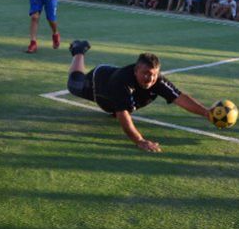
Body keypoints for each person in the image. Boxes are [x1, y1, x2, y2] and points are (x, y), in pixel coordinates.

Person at [65, 40, 215, 152]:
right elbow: (122, 114)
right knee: (73, 85)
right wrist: (139, 140)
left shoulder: (158, 81)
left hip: (118, 90)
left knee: (123, 106)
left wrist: (206, 112)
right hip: (99, 82)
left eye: (154, 75)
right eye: (145, 74)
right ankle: (79, 50)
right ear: (136, 70)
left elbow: (180, 98)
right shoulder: (121, 81)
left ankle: (117, 105)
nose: (150, 79)